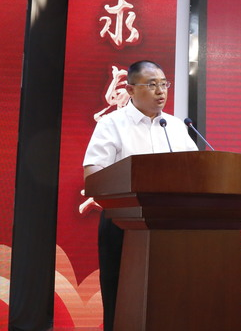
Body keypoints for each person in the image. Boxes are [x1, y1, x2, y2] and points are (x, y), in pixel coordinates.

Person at [82, 60, 198, 331]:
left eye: (164, 84)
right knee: (121, 292)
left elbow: (196, 170)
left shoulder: (176, 126)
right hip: (124, 222)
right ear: (131, 89)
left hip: (171, 224)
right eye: (152, 85)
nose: (161, 91)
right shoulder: (112, 124)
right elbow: (93, 173)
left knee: (170, 292)